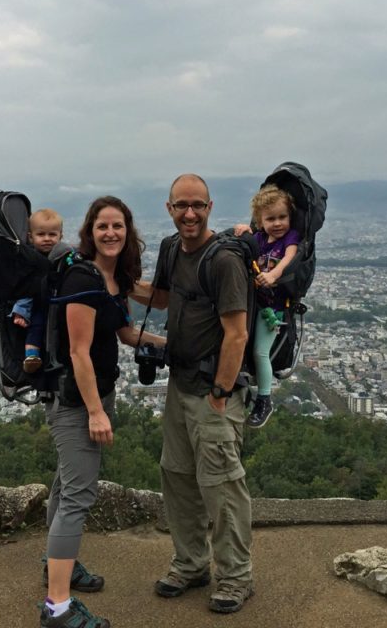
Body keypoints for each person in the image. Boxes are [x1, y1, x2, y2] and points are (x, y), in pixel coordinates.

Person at [133, 174, 254, 615]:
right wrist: (113, 279)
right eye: (181, 205)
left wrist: (221, 392)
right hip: (179, 383)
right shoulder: (170, 249)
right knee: (178, 477)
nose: (190, 213)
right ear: (169, 208)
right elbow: (161, 299)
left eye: (198, 205)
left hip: (212, 392)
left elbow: (236, 334)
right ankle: (190, 563)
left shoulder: (222, 261)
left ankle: (236, 576)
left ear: (210, 207)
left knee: (221, 486)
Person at [41, 196, 164, 628]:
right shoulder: (82, 277)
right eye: (102, 226)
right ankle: (57, 607)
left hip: (95, 395)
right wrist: (96, 412)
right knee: (78, 495)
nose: (110, 233)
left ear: (128, 231)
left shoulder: (112, 278)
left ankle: (58, 565)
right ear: (89, 232)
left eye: (118, 226)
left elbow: (125, 332)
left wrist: (174, 346)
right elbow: (78, 352)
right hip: (76, 401)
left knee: (64, 484)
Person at [234, 184, 301, 428]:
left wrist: (274, 276)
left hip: (272, 310)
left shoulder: (290, 238)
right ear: (260, 221)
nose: (277, 223)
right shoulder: (260, 238)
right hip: (253, 305)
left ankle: (264, 398)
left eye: (282, 217)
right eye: (270, 218)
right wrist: (245, 230)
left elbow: (289, 258)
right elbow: (249, 240)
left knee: (260, 351)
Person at [11, 208, 65, 374]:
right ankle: (31, 355)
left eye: (52, 235)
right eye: (41, 235)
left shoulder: (63, 256)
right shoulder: (29, 258)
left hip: (56, 301)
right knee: (37, 324)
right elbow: (24, 289)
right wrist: (21, 311)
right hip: (36, 302)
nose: (47, 239)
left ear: (60, 237)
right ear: (30, 237)